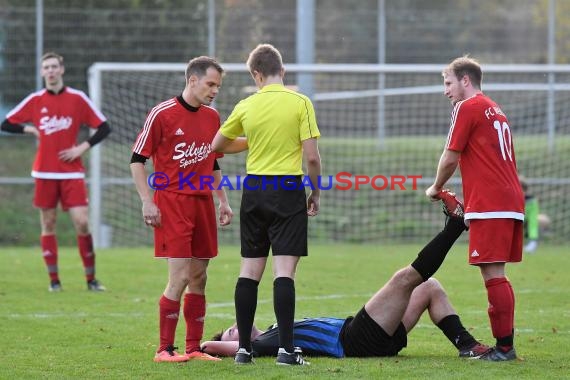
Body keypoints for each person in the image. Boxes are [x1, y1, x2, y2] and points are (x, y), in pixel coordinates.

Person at [201, 195, 491, 360]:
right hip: (354, 341)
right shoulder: (265, 344)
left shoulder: (276, 330)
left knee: (429, 287)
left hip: (364, 334)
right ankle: (455, 226)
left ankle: (467, 346)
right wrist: (199, 349)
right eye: (231, 331)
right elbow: (209, 346)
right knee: (405, 279)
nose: (235, 327)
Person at [211, 43, 321, 366]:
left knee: (249, 270)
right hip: (287, 188)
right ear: (282, 71)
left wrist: (253, 140)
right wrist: (316, 193)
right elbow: (311, 157)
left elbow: (217, 145)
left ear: (256, 75)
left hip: (254, 188)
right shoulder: (300, 102)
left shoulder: (247, 105)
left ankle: (244, 350)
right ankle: (287, 351)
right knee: (283, 271)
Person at [130, 56, 233, 363]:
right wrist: (147, 200)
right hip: (172, 202)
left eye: (218, 85)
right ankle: (164, 349)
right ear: (193, 80)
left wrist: (222, 200)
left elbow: (212, 162)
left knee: (200, 276)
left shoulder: (212, 117)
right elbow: (137, 159)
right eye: (210, 84)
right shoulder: (162, 114)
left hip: (202, 202)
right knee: (180, 277)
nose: (215, 90)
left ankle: (193, 348)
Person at [426, 56, 525, 361]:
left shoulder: (466, 107)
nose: (446, 91)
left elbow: (451, 156)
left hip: (491, 203)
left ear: (465, 80)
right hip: (510, 200)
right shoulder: (495, 108)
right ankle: (505, 345)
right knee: (497, 272)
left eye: (448, 83)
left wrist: (435, 187)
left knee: (492, 273)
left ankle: (505, 348)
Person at [0, 52, 111, 292]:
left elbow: (104, 127)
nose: (50, 71)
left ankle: (91, 280)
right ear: (42, 73)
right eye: (46, 68)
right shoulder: (36, 99)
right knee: (48, 223)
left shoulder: (77, 99)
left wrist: (81, 147)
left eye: (54, 67)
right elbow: (6, 123)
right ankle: (54, 282)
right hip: (45, 173)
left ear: (61, 70)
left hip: (72, 173)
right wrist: (31, 130)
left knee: (82, 222)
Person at [519, 175, 550, 253]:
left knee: (542, 219)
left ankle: (532, 243)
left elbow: (533, 220)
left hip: (526, 221)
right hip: (515, 221)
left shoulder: (532, 201)